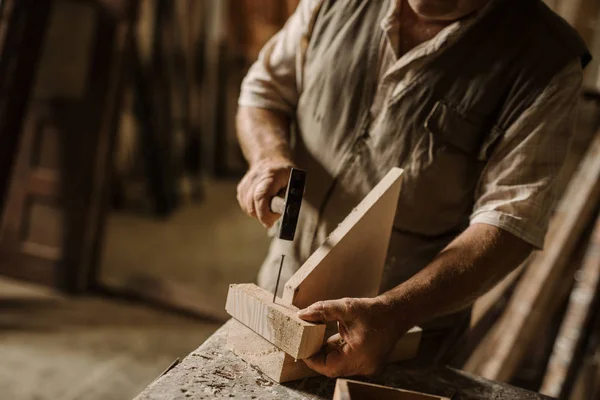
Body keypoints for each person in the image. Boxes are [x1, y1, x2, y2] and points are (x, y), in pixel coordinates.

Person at [235, 0, 591, 378]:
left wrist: (397, 312)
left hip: (404, 334)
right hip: (284, 285)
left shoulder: (546, 58)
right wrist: (268, 156)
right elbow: (264, 92)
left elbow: (510, 223)